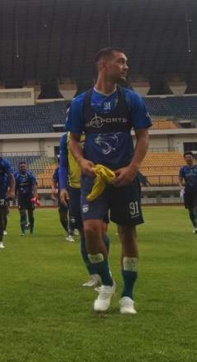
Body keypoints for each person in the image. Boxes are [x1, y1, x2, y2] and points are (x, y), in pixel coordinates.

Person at [66, 47, 152, 314]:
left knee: (127, 233)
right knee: (91, 230)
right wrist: (82, 161)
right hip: (95, 180)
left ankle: (128, 295)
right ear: (103, 65)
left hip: (125, 177)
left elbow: (143, 136)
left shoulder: (131, 100)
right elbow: (72, 140)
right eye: (121, 62)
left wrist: (133, 167)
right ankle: (106, 283)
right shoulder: (81, 102)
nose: (126, 66)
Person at [58, 132, 111, 288]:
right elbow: (63, 165)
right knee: (83, 233)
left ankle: (105, 270)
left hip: (95, 185)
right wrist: (62, 187)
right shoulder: (65, 138)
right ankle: (93, 274)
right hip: (74, 189)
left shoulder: (92, 131)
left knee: (101, 230)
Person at [14, 161, 38, 236]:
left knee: (31, 214)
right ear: (19, 168)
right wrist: (14, 196)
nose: (22, 168)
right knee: (22, 214)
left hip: (29, 197)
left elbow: (34, 185)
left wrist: (35, 195)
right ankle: (23, 232)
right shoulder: (16, 176)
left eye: (24, 167)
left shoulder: (30, 175)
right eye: (21, 167)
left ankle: (31, 231)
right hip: (21, 197)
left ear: (26, 167)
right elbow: (15, 187)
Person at [52, 164, 74, 241]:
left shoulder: (75, 166)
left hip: (74, 191)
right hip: (62, 192)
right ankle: (68, 229)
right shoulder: (58, 169)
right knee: (62, 214)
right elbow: (54, 180)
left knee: (73, 212)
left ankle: (72, 231)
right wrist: (53, 189)